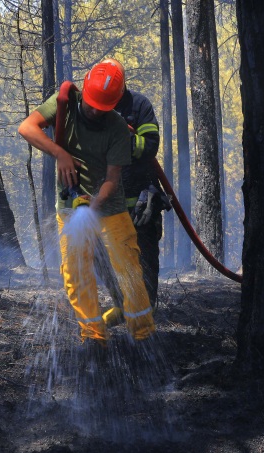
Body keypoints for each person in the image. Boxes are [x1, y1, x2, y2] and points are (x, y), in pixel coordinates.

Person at [17, 60, 155, 346]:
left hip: (110, 208)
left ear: (115, 103)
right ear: (85, 88)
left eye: (102, 108)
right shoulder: (63, 103)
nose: (94, 111)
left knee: (128, 269)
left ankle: (143, 334)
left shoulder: (117, 127)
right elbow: (27, 128)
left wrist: (92, 206)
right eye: (91, 104)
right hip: (68, 206)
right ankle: (93, 336)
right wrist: (60, 154)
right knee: (75, 272)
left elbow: (112, 179)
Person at [97, 58, 170, 327]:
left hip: (141, 203)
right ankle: (122, 305)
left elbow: (150, 145)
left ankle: (145, 315)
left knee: (145, 260)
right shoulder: (93, 107)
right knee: (100, 256)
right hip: (107, 204)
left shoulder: (139, 105)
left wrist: (123, 139)